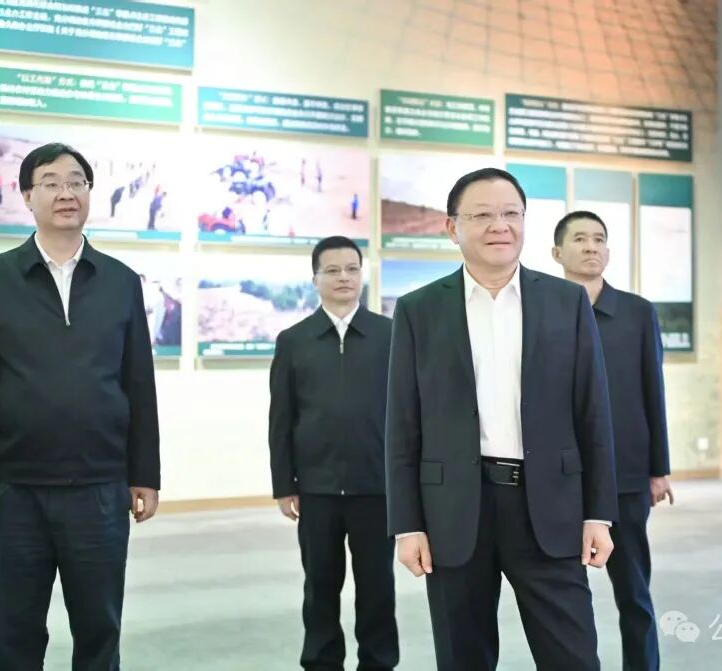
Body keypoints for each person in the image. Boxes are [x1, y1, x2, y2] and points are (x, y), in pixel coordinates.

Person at [385, 167, 618, 670]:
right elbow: (402, 427)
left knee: (573, 656)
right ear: (453, 227)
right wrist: (407, 525)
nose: (500, 225)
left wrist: (598, 514)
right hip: (454, 512)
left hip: (549, 507)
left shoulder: (566, 302)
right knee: (462, 658)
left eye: (511, 213)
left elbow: (593, 414)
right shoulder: (418, 310)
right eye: (483, 215)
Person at [0, 142, 161, 669]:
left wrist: (144, 473)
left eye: (76, 182)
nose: (66, 192)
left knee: (99, 632)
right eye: (50, 182)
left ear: (90, 193)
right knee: (16, 635)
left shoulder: (120, 281)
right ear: (27, 196)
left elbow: (139, 383)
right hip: (14, 493)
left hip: (100, 489)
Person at [270, 236, 399, 670]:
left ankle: (378, 662)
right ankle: (321, 662)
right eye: (332, 270)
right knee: (320, 586)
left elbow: (408, 415)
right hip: (317, 488)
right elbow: (281, 418)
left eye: (351, 269)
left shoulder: (390, 336)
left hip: (376, 487)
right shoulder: (294, 340)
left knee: (377, 587)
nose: (343, 277)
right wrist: (284, 483)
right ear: (315, 279)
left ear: (362, 275)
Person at [552, 210, 673, 670]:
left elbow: (653, 391)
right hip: (560, 477)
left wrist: (659, 469)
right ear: (557, 252)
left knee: (634, 591)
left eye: (599, 239)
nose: (591, 247)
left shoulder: (637, 313)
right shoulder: (543, 311)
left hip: (626, 474)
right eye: (579, 239)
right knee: (565, 596)